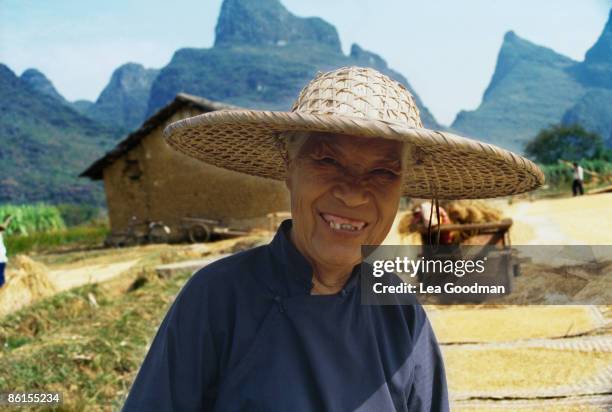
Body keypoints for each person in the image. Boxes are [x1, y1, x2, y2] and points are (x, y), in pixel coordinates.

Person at [122, 67, 544, 411]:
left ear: (403, 188)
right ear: (289, 166)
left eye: (382, 172)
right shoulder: (217, 300)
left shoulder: (400, 313)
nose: (354, 192)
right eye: (326, 160)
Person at [0, 215, 12, 288]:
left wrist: (7, 220)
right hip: (1, 259)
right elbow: (3, 226)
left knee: (1, 279)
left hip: (1, 259)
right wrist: (8, 220)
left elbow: (3, 227)